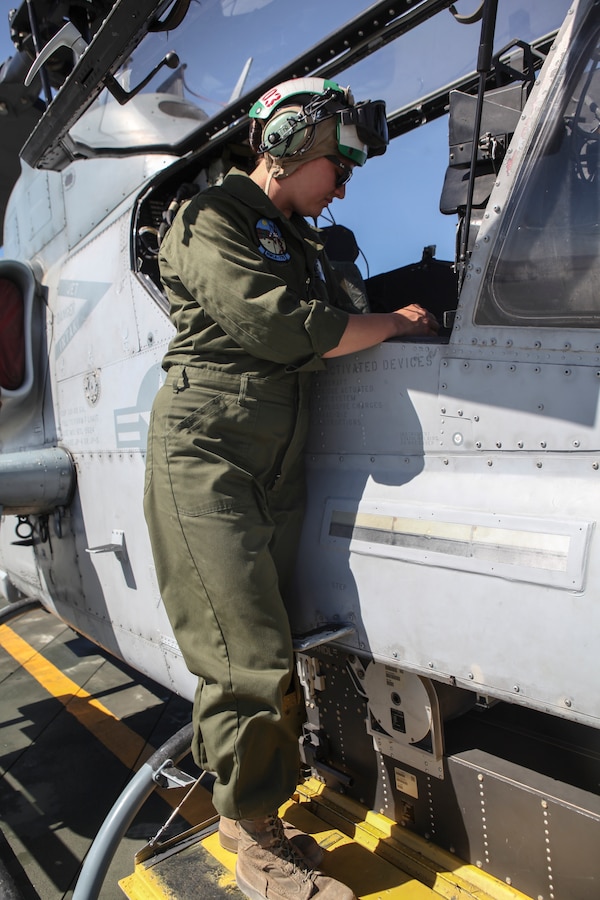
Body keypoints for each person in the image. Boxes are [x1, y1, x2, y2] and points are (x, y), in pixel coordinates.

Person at [143, 76, 438, 900]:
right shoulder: (211, 221)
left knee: (268, 659)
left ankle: (256, 811)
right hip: (210, 461)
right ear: (286, 141)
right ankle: (255, 846)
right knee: (246, 660)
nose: (343, 186)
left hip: (273, 465)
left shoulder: (298, 239)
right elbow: (280, 326)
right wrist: (396, 325)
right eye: (336, 166)